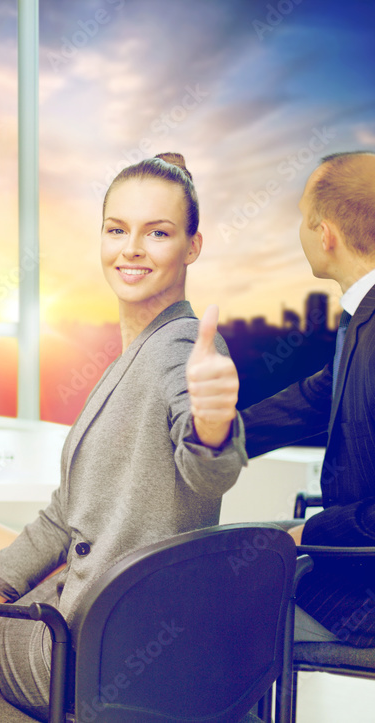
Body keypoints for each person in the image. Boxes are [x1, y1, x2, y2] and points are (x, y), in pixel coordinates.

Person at [0, 153, 248, 721]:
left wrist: (213, 427)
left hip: (99, 655)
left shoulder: (180, 348)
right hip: (104, 613)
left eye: (158, 233)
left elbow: (209, 470)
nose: (131, 249)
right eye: (116, 230)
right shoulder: (137, 351)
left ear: (192, 246)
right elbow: (61, 518)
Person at [239, 151, 375, 648]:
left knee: (214, 598)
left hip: (361, 596)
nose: (300, 230)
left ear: (326, 234)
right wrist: (218, 438)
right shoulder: (362, 317)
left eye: (303, 217)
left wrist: (308, 535)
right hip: (352, 562)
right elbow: (318, 395)